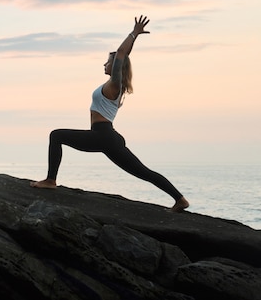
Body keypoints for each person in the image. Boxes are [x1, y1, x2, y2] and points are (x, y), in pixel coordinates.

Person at [30, 15, 190, 213]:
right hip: (107, 137)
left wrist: (134, 34)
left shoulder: (115, 84)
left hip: (103, 135)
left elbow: (122, 53)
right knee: (143, 172)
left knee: (57, 135)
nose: (104, 65)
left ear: (116, 67)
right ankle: (180, 199)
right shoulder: (112, 86)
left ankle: (51, 180)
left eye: (107, 62)